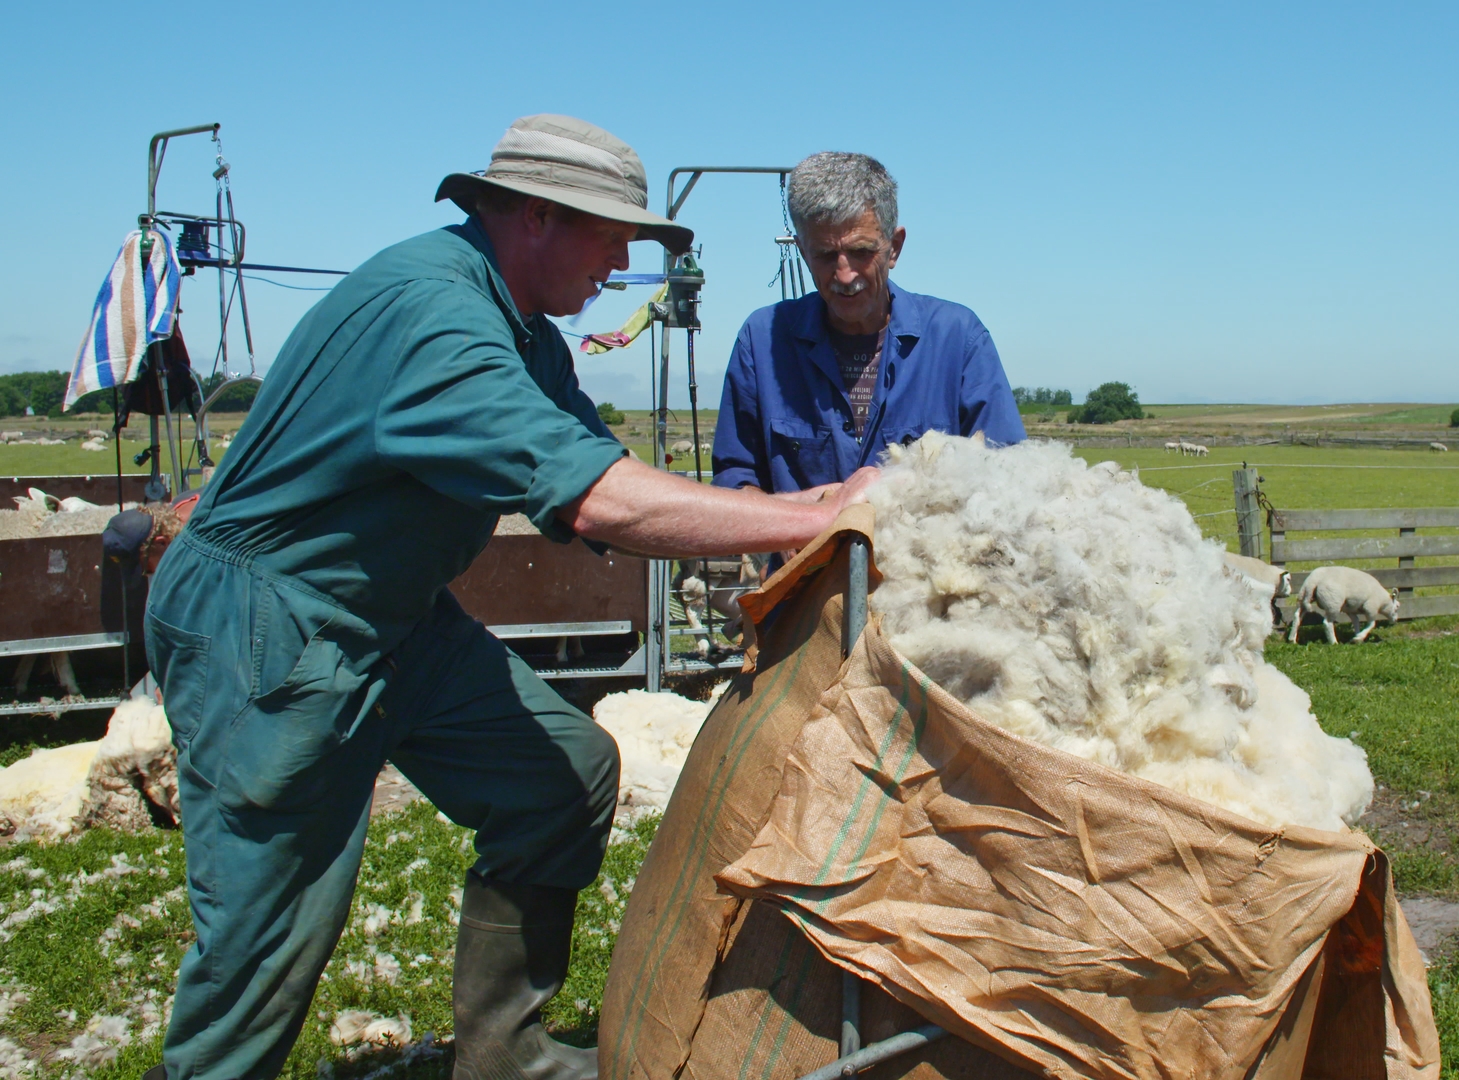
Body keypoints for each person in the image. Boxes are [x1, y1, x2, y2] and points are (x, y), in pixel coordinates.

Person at [141, 115, 875, 1080]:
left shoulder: (523, 333)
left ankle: (503, 1053)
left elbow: (603, 477)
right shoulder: (436, 318)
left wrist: (764, 531)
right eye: (611, 237)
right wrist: (811, 512)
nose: (619, 265)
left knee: (561, 778)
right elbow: (599, 496)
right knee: (266, 933)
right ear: (536, 217)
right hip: (275, 619)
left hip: (394, 617)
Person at [710, 152, 1024, 495]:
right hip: (802, 550)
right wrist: (782, 528)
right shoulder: (763, 342)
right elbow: (736, 476)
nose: (845, 275)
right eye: (826, 256)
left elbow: (1007, 476)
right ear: (802, 251)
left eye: (861, 252)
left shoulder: (958, 339)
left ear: (894, 248)